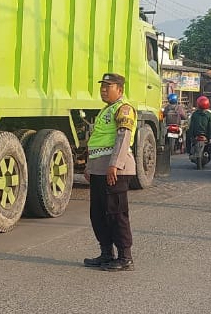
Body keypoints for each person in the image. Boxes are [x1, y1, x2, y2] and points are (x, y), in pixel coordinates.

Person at [83, 73, 137, 271]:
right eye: (102, 87)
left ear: (120, 90)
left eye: (108, 87)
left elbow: (123, 137)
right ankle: (106, 253)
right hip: (99, 168)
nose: (103, 90)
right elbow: (97, 140)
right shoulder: (105, 110)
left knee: (116, 213)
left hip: (115, 169)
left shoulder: (124, 109)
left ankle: (125, 257)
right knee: (98, 214)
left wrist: (114, 164)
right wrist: (89, 167)